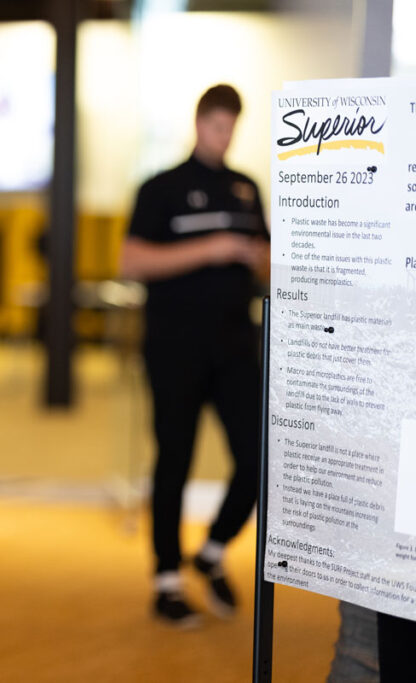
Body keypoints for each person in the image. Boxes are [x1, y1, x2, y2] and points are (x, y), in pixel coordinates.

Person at [120, 84, 269, 627]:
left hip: (236, 347)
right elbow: (131, 261)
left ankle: (210, 552)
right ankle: (166, 579)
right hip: (174, 348)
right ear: (199, 122)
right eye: (216, 126)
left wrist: (257, 256)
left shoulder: (247, 188)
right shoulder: (161, 187)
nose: (223, 136)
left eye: (231, 127)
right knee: (174, 462)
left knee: (259, 459)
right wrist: (214, 247)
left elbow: (269, 264)